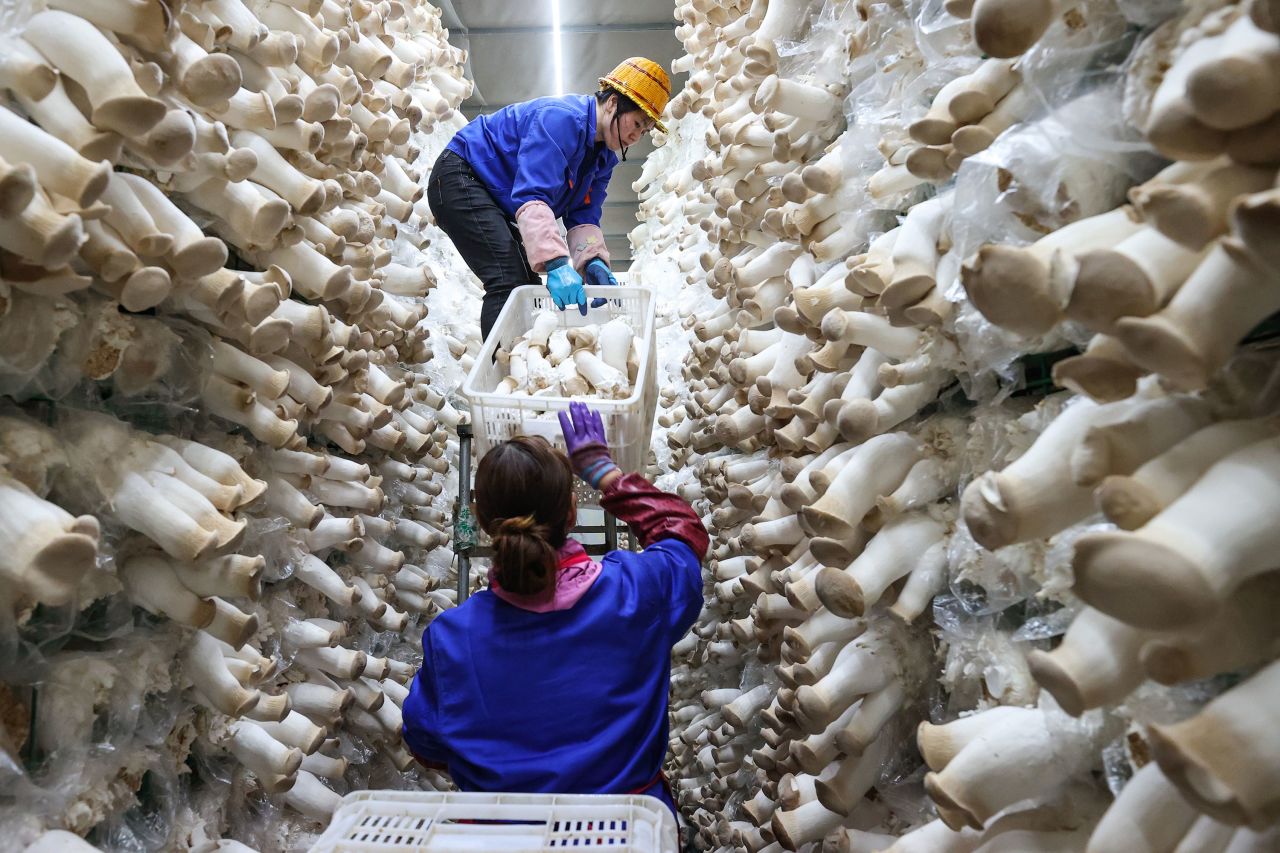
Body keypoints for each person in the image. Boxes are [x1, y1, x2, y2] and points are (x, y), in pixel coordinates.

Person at [401, 402, 708, 815]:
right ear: (572, 512)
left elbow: (426, 744)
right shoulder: (637, 591)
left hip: (506, 838)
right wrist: (603, 472)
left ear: (481, 519)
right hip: (626, 829)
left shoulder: (453, 637)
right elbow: (682, 534)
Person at [426, 58, 671, 339]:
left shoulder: (603, 160)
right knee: (508, 281)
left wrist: (593, 262)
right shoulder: (561, 120)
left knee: (526, 288)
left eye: (644, 131)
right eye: (636, 124)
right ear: (613, 103)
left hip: (490, 195)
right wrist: (556, 263)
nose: (636, 136)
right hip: (461, 175)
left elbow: (583, 215)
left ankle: (518, 367)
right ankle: (498, 376)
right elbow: (533, 193)